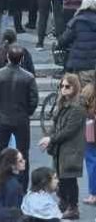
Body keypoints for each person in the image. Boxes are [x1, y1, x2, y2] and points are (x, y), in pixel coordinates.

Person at [0, 45, 39, 178]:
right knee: (23, 153)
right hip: (21, 119)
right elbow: (34, 100)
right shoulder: (29, 77)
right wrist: (27, 113)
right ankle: (22, 183)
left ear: (7, 57)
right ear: (22, 59)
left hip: (3, 118)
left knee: (0, 153)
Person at [39, 72, 84, 218]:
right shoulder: (62, 104)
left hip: (71, 149)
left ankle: (73, 208)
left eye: (67, 86)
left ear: (75, 88)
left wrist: (51, 139)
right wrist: (48, 137)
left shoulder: (77, 108)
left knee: (69, 179)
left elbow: (68, 131)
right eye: (62, 86)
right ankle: (64, 203)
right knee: (61, 178)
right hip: (60, 149)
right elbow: (55, 125)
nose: (63, 89)